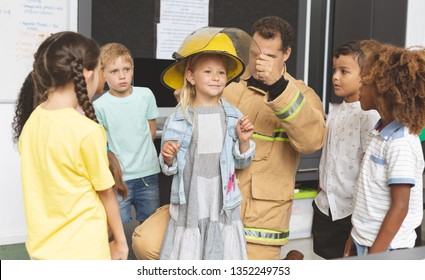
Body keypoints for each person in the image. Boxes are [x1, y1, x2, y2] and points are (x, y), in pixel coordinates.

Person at [14, 31, 128, 259]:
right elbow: (106, 193)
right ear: (87, 74)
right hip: (84, 249)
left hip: (43, 250)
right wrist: (120, 242)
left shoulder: (33, 121)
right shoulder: (86, 130)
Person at [221, 16, 326, 259]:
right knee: (147, 241)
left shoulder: (302, 94)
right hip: (219, 211)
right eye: (256, 53)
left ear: (286, 54)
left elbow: (312, 141)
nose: (260, 61)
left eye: (269, 56)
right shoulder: (228, 87)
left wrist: (277, 86)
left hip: (262, 220)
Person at [160, 28, 255, 260]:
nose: (216, 77)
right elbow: (167, 167)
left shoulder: (233, 116)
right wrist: (169, 157)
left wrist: (244, 143)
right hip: (192, 199)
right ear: (191, 77)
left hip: (222, 199)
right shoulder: (179, 118)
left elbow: (242, 163)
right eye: (209, 71)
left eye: (221, 72)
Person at [344, 45, 425, 257]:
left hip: (388, 249)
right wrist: (355, 235)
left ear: (384, 92)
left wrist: (374, 257)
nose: (360, 86)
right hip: (366, 240)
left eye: (366, 83)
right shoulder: (379, 131)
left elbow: (400, 208)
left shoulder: (401, 143)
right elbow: (369, 194)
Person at [311, 40, 380, 259]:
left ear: (364, 75)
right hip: (325, 207)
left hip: (350, 212)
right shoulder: (335, 110)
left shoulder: (369, 114)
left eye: (344, 71)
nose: (335, 77)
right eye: (334, 70)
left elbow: (368, 169)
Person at [93, 43, 161, 226]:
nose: (122, 76)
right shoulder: (100, 106)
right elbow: (102, 143)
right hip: (118, 178)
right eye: (114, 71)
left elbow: (151, 129)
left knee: (150, 228)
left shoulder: (145, 95)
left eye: (126, 69)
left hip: (148, 174)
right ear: (103, 74)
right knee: (117, 227)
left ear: (132, 69)